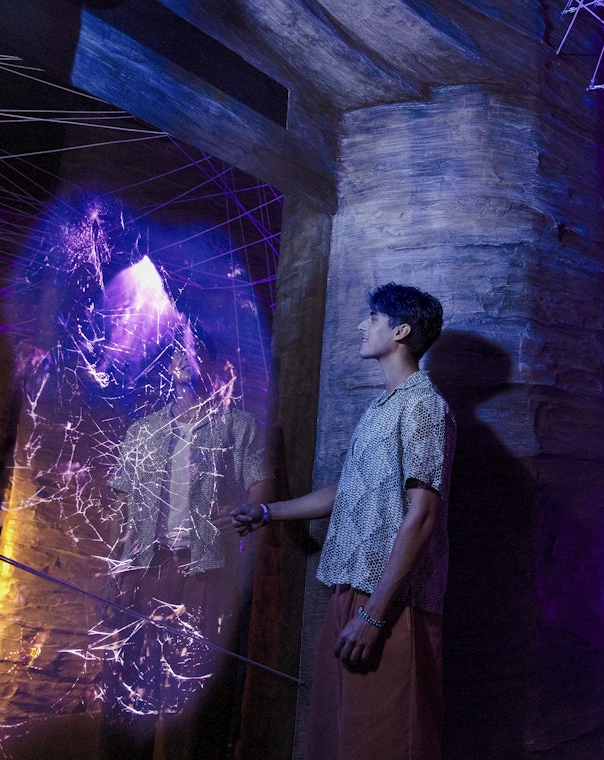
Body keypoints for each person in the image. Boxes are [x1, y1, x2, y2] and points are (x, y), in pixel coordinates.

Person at [232, 282, 455, 760]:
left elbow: (423, 514)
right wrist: (269, 512)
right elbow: (347, 491)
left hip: (392, 600)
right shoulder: (381, 408)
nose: (360, 325)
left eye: (372, 317)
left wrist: (374, 614)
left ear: (401, 330)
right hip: (353, 591)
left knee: (386, 739)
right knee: (344, 737)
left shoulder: (424, 406)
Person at [101, 327, 274, 759]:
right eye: (177, 355)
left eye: (194, 355)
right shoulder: (143, 431)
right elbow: (119, 506)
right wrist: (114, 570)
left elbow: (261, 488)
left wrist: (245, 515)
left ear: (213, 368)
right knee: (132, 680)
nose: (184, 362)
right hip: (146, 568)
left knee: (195, 685)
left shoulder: (237, 426)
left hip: (206, 570)